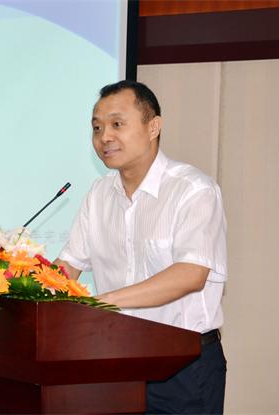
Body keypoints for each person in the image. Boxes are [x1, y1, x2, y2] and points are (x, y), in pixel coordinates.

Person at [55, 80, 227, 414]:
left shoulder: (193, 190)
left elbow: (190, 274)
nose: (104, 137)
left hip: (183, 368)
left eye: (117, 124)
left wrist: (102, 303)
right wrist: (20, 281)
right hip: (116, 361)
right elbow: (68, 266)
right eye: (97, 127)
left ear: (153, 127)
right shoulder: (99, 194)